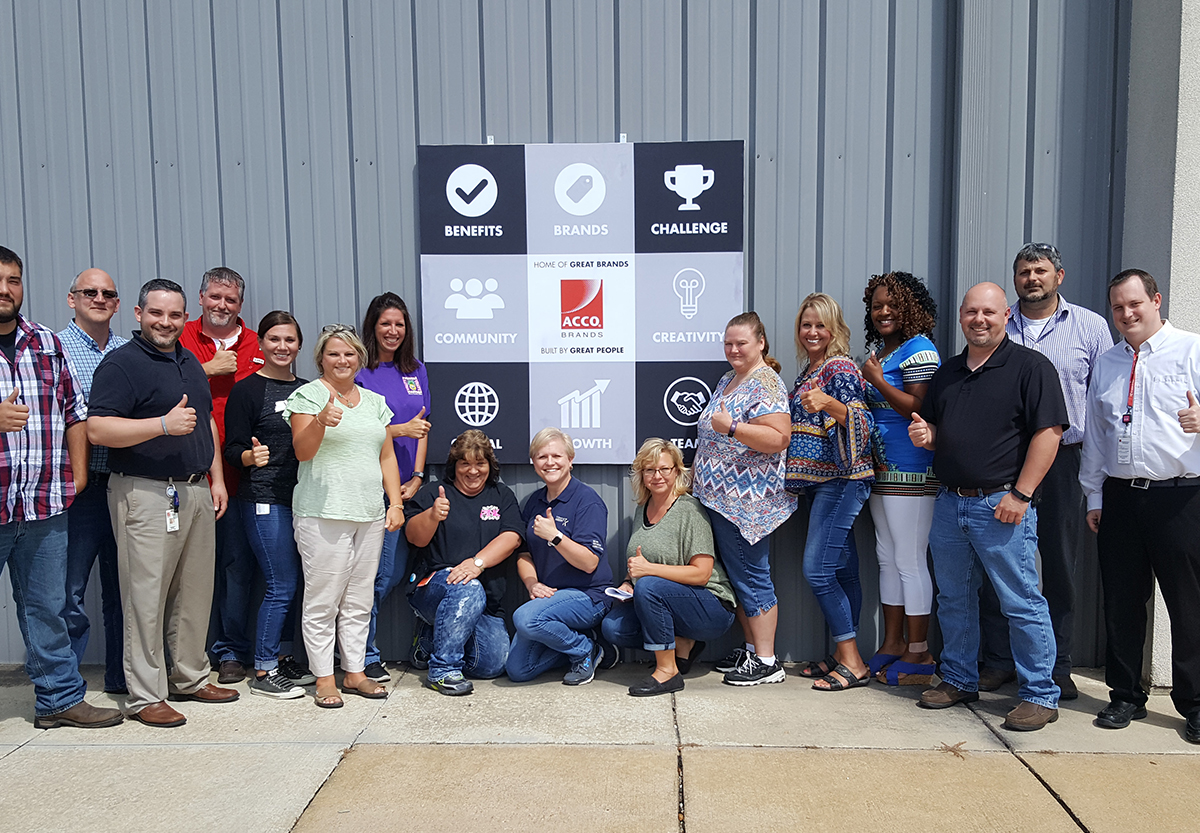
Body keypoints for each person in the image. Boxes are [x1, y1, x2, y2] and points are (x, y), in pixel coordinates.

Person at [909, 282, 1067, 732]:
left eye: (989, 313)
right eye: (971, 312)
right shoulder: (949, 372)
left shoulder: (1030, 368)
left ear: (1006, 316)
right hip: (949, 503)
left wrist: (1021, 495)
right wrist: (929, 437)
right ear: (961, 316)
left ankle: (1040, 693)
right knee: (954, 599)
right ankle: (959, 678)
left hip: (1001, 504)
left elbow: (1048, 434)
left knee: (1021, 601)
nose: (980, 320)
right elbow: (941, 430)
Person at [88, 278, 238, 728]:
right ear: (138, 314)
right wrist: (160, 425)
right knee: (145, 596)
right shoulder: (121, 365)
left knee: (194, 593)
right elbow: (98, 429)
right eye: (156, 313)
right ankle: (145, 695)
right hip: (144, 492)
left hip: (193, 490)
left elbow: (204, 421)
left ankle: (190, 677)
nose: (166, 322)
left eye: (174, 315)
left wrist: (216, 477)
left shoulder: (189, 360)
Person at [973, 243, 1113, 700]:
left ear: (1059, 276)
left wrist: (1096, 479)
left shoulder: (1090, 327)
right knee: (999, 562)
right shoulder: (997, 323)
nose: (1032, 278)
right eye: (1024, 271)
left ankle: (1057, 665)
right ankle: (998, 661)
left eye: (1040, 270)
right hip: (1005, 461)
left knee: (1058, 564)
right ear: (1014, 279)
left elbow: (1103, 405)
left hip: (1063, 461)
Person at [0, 247, 122, 730]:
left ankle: (58, 699)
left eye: (12, 280)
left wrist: (78, 477)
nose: (4, 289)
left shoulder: (45, 343)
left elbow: (75, 414)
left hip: (44, 503)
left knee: (48, 608)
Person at [1080, 269, 1200, 742]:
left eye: (1135, 304)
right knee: (1123, 602)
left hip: (1181, 498)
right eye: (1118, 307)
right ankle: (1125, 696)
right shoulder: (1108, 363)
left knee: (1188, 605)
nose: (1127, 314)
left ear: (1156, 300)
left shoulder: (1191, 349)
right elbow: (1096, 435)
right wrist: (1093, 495)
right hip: (1121, 499)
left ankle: (1194, 703)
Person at [284, 324, 405, 708]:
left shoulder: (373, 402)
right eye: (334, 353)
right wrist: (320, 421)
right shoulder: (307, 395)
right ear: (321, 358)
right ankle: (324, 678)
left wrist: (395, 503)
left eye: (349, 354)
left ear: (360, 359)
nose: (342, 360)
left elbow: (385, 455)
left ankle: (354, 673)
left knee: (359, 600)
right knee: (323, 601)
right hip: (323, 512)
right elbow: (302, 451)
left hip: (369, 514)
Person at [693, 311, 795, 686]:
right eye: (728, 344)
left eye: (741, 343)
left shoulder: (766, 383)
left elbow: (778, 438)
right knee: (738, 578)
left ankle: (768, 661)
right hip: (719, 499)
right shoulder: (729, 379)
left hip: (746, 504)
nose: (733, 349)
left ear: (761, 343)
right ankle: (753, 651)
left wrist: (733, 427)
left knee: (752, 576)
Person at [787, 293, 876, 692]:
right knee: (843, 571)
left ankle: (853, 661)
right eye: (807, 324)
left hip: (844, 480)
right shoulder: (808, 370)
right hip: (824, 483)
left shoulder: (839, 368)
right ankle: (843, 654)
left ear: (835, 329)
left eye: (821, 325)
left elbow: (863, 420)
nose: (812, 331)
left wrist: (827, 403)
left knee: (817, 570)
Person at [179, 267, 264, 684]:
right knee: (181, 571)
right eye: (215, 297)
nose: (222, 305)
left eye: (230, 300)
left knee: (235, 567)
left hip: (241, 475)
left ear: (240, 305)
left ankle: (230, 651)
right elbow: (160, 382)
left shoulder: (257, 344)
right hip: (187, 472)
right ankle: (177, 656)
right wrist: (207, 369)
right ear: (201, 298)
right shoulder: (180, 337)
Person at [224, 311, 315, 699]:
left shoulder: (309, 390)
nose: (282, 347)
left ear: (299, 345)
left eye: (289, 340)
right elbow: (231, 448)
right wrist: (249, 458)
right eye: (274, 339)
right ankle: (263, 671)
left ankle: (283, 657)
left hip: (304, 501)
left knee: (299, 584)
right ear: (260, 343)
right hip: (263, 499)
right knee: (281, 584)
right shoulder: (247, 390)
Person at [601, 439, 736, 697]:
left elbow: (702, 573)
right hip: (666, 600)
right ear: (641, 474)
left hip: (712, 606)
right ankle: (682, 646)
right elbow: (643, 562)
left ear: (677, 471)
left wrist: (648, 570)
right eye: (649, 470)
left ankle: (668, 673)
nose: (657, 476)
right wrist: (629, 582)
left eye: (664, 469)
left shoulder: (690, 510)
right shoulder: (642, 509)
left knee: (650, 586)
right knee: (613, 627)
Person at [859, 273, 940, 686]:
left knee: (909, 558)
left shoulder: (919, 349)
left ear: (912, 307)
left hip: (912, 468)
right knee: (887, 557)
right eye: (876, 305)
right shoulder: (882, 351)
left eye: (893, 304)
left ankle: (919, 652)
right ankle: (892, 644)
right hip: (881, 469)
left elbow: (920, 406)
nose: (884, 311)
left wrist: (874, 380)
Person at [404, 430, 522, 696]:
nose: (472, 471)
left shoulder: (501, 495)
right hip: (433, 589)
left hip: (485, 601)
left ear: (489, 466)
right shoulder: (435, 492)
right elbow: (414, 538)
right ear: (454, 465)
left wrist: (476, 563)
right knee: (468, 588)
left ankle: (430, 639)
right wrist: (433, 515)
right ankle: (443, 670)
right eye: (464, 463)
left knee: (492, 665)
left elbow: (513, 537)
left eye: (480, 463)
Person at [59, 268, 129, 695]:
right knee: (68, 593)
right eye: (90, 292)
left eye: (108, 293)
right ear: (72, 299)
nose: (99, 298)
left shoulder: (129, 352)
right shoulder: (52, 348)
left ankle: (123, 678)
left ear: (118, 305)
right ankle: (61, 689)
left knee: (124, 591)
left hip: (124, 482)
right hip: (77, 490)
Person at [356, 293, 431, 682]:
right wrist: (398, 430)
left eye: (399, 324)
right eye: (385, 323)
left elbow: (423, 426)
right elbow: (354, 428)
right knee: (377, 576)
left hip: (407, 491)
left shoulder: (415, 369)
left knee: (395, 573)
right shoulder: (359, 370)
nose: (392, 331)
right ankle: (362, 654)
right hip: (370, 487)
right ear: (373, 326)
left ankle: (358, 649)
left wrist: (417, 476)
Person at [506, 427, 613, 686]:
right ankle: (572, 646)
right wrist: (532, 583)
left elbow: (589, 563)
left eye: (557, 456)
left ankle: (584, 648)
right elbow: (523, 554)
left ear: (570, 461)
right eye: (542, 457)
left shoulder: (587, 501)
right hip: (549, 597)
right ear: (533, 463)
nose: (550, 462)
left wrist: (555, 536)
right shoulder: (534, 502)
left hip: (589, 596)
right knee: (517, 670)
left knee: (525, 618)